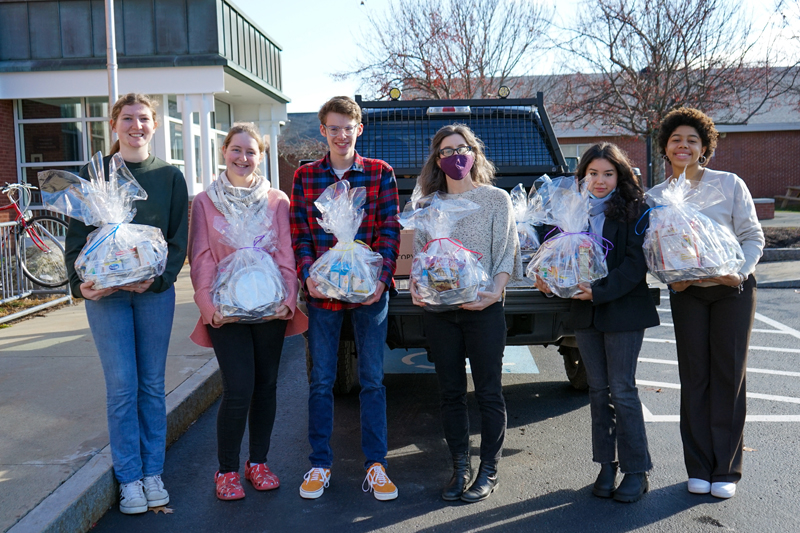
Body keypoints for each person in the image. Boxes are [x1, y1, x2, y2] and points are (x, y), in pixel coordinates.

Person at [64, 93, 189, 514]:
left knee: (152, 385)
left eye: (144, 119)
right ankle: (129, 479)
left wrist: (156, 280)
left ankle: (153, 472)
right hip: (105, 297)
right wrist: (80, 286)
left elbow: (176, 242)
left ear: (155, 125)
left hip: (153, 296)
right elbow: (75, 241)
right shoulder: (94, 174)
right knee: (121, 387)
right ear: (114, 124)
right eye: (128, 119)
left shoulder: (169, 176)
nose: (137, 126)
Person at [188, 123, 308, 500]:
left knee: (266, 387)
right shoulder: (205, 202)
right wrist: (208, 306)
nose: (243, 158)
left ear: (262, 156)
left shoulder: (277, 201)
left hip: (270, 306)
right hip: (228, 308)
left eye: (251, 151)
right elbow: (201, 257)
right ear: (224, 151)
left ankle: (258, 462)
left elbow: (286, 253)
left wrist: (289, 297)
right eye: (236, 150)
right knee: (238, 388)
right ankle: (225, 470)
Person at [534, 143, 659, 503]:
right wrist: (547, 277)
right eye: (593, 173)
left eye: (608, 173)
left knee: (622, 390)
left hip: (621, 310)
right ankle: (607, 464)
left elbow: (636, 266)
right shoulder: (569, 211)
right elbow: (553, 255)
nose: (600, 181)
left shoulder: (637, 210)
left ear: (620, 176)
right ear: (582, 176)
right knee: (598, 390)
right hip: (585, 313)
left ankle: (637, 470)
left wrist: (598, 291)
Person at [290, 96, 401, 501]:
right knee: (321, 380)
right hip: (324, 293)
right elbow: (300, 233)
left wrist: (382, 279)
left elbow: (390, 228)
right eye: (333, 128)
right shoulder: (305, 177)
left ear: (359, 129)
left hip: (370, 291)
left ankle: (376, 464)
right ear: (323, 131)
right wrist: (308, 278)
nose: (340, 135)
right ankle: (319, 463)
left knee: (372, 379)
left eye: (347, 127)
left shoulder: (379, 173)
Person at [651, 107, 764, 499]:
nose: (683, 145)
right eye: (676, 139)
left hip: (733, 289)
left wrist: (742, 271)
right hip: (688, 293)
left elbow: (752, 236)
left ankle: (726, 471)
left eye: (692, 140)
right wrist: (670, 280)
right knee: (694, 378)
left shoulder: (729, 184)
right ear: (666, 147)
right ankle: (698, 466)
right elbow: (652, 252)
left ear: (704, 148)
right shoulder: (655, 197)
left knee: (729, 377)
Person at [410, 124, 521, 503]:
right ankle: (460, 466)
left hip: (483, 309)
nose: (455, 156)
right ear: (437, 160)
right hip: (440, 312)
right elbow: (422, 256)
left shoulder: (495, 200)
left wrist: (495, 292)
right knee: (450, 392)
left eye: (462, 148)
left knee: (489, 391)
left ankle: (488, 469)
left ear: (474, 153)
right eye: (446, 151)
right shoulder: (428, 205)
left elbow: (507, 252)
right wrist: (414, 284)